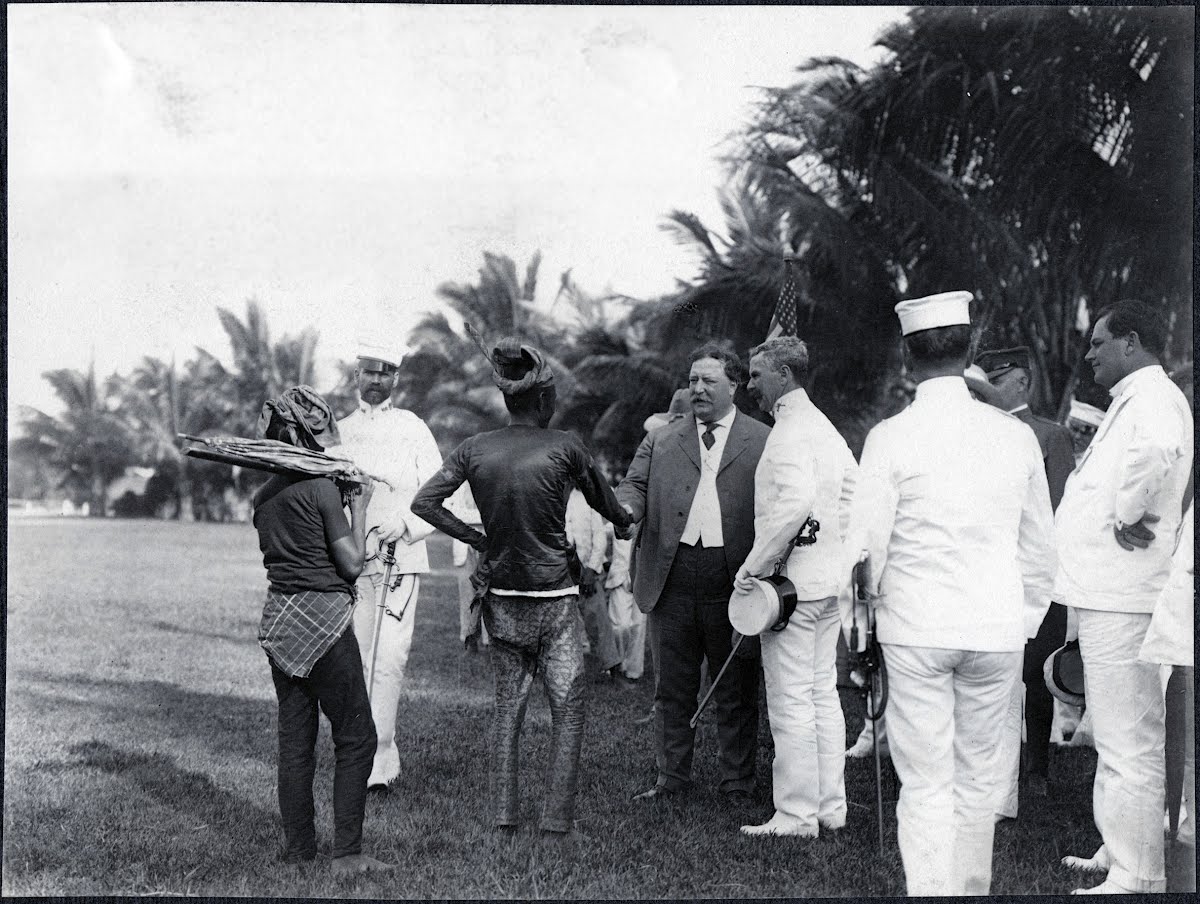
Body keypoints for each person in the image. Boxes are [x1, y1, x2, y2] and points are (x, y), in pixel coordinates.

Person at [848, 291, 1057, 896]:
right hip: (993, 632)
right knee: (978, 785)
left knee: (928, 784)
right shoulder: (1014, 438)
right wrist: (1016, 622)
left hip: (917, 630)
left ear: (908, 358)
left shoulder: (891, 437)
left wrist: (859, 641)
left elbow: (864, 555)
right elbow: (1041, 549)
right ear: (968, 352)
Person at [411, 335, 634, 840]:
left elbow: (424, 503)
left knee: (507, 710)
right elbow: (608, 506)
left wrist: (478, 538)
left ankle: (503, 817)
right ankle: (557, 822)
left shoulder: (475, 448)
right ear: (542, 399)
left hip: (503, 600)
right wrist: (623, 523)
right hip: (554, 599)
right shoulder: (566, 446)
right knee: (569, 711)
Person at [1055, 300, 1192, 894]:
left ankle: (1140, 872)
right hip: (1106, 590)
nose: (1089, 355)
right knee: (1114, 734)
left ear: (1131, 343)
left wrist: (1125, 513)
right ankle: (1119, 850)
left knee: (1127, 738)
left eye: (1098, 343)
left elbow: (1156, 454)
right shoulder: (1137, 398)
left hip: (1124, 593)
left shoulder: (1155, 398)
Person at [615, 343, 769, 802]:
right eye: (693, 380)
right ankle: (671, 778)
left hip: (735, 580)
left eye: (709, 381)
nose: (697, 389)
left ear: (734, 385)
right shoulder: (662, 437)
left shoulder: (763, 439)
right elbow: (634, 484)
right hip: (672, 575)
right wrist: (626, 509)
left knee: (737, 687)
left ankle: (738, 781)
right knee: (671, 687)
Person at [251, 386, 392, 874]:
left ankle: (299, 850)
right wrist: (360, 505)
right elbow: (351, 565)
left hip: (281, 624)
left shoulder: (262, 495)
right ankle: (348, 855)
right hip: (325, 625)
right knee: (358, 738)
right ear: (312, 435)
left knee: (296, 741)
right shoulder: (322, 488)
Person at [734, 335, 857, 838]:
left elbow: (795, 502)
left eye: (756, 375)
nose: (749, 385)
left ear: (784, 376)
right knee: (821, 693)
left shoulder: (787, 432)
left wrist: (754, 567)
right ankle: (830, 806)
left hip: (792, 588)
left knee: (791, 700)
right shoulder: (825, 428)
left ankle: (796, 814)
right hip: (829, 584)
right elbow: (852, 494)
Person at [974, 346, 1077, 815]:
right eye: (987, 376)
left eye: (1002, 375)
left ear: (1023, 381)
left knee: (1036, 675)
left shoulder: (1050, 436)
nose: (993, 383)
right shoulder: (972, 431)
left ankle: (1035, 767)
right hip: (984, 573)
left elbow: (1054, 508)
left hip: (1035, 574)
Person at [336, 338, 444, 790]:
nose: (375, 379)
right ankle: (354, 754)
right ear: (356, 375)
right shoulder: (338, 431)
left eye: (385, 372)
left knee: (389, 659)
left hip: (400, 557)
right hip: (351, 561)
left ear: (395, 378)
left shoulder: (413, 427)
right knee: (354, 657)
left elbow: (441, 489)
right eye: (368, 371)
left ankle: (381, 761)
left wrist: (403, 526)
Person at [565, 485, 621, 675]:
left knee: (597, 619)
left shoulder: (588, 498)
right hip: (560, 573)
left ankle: (612, 669)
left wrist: (590, 570)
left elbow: (599, 536)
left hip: (587, 572)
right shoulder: (552, 493)